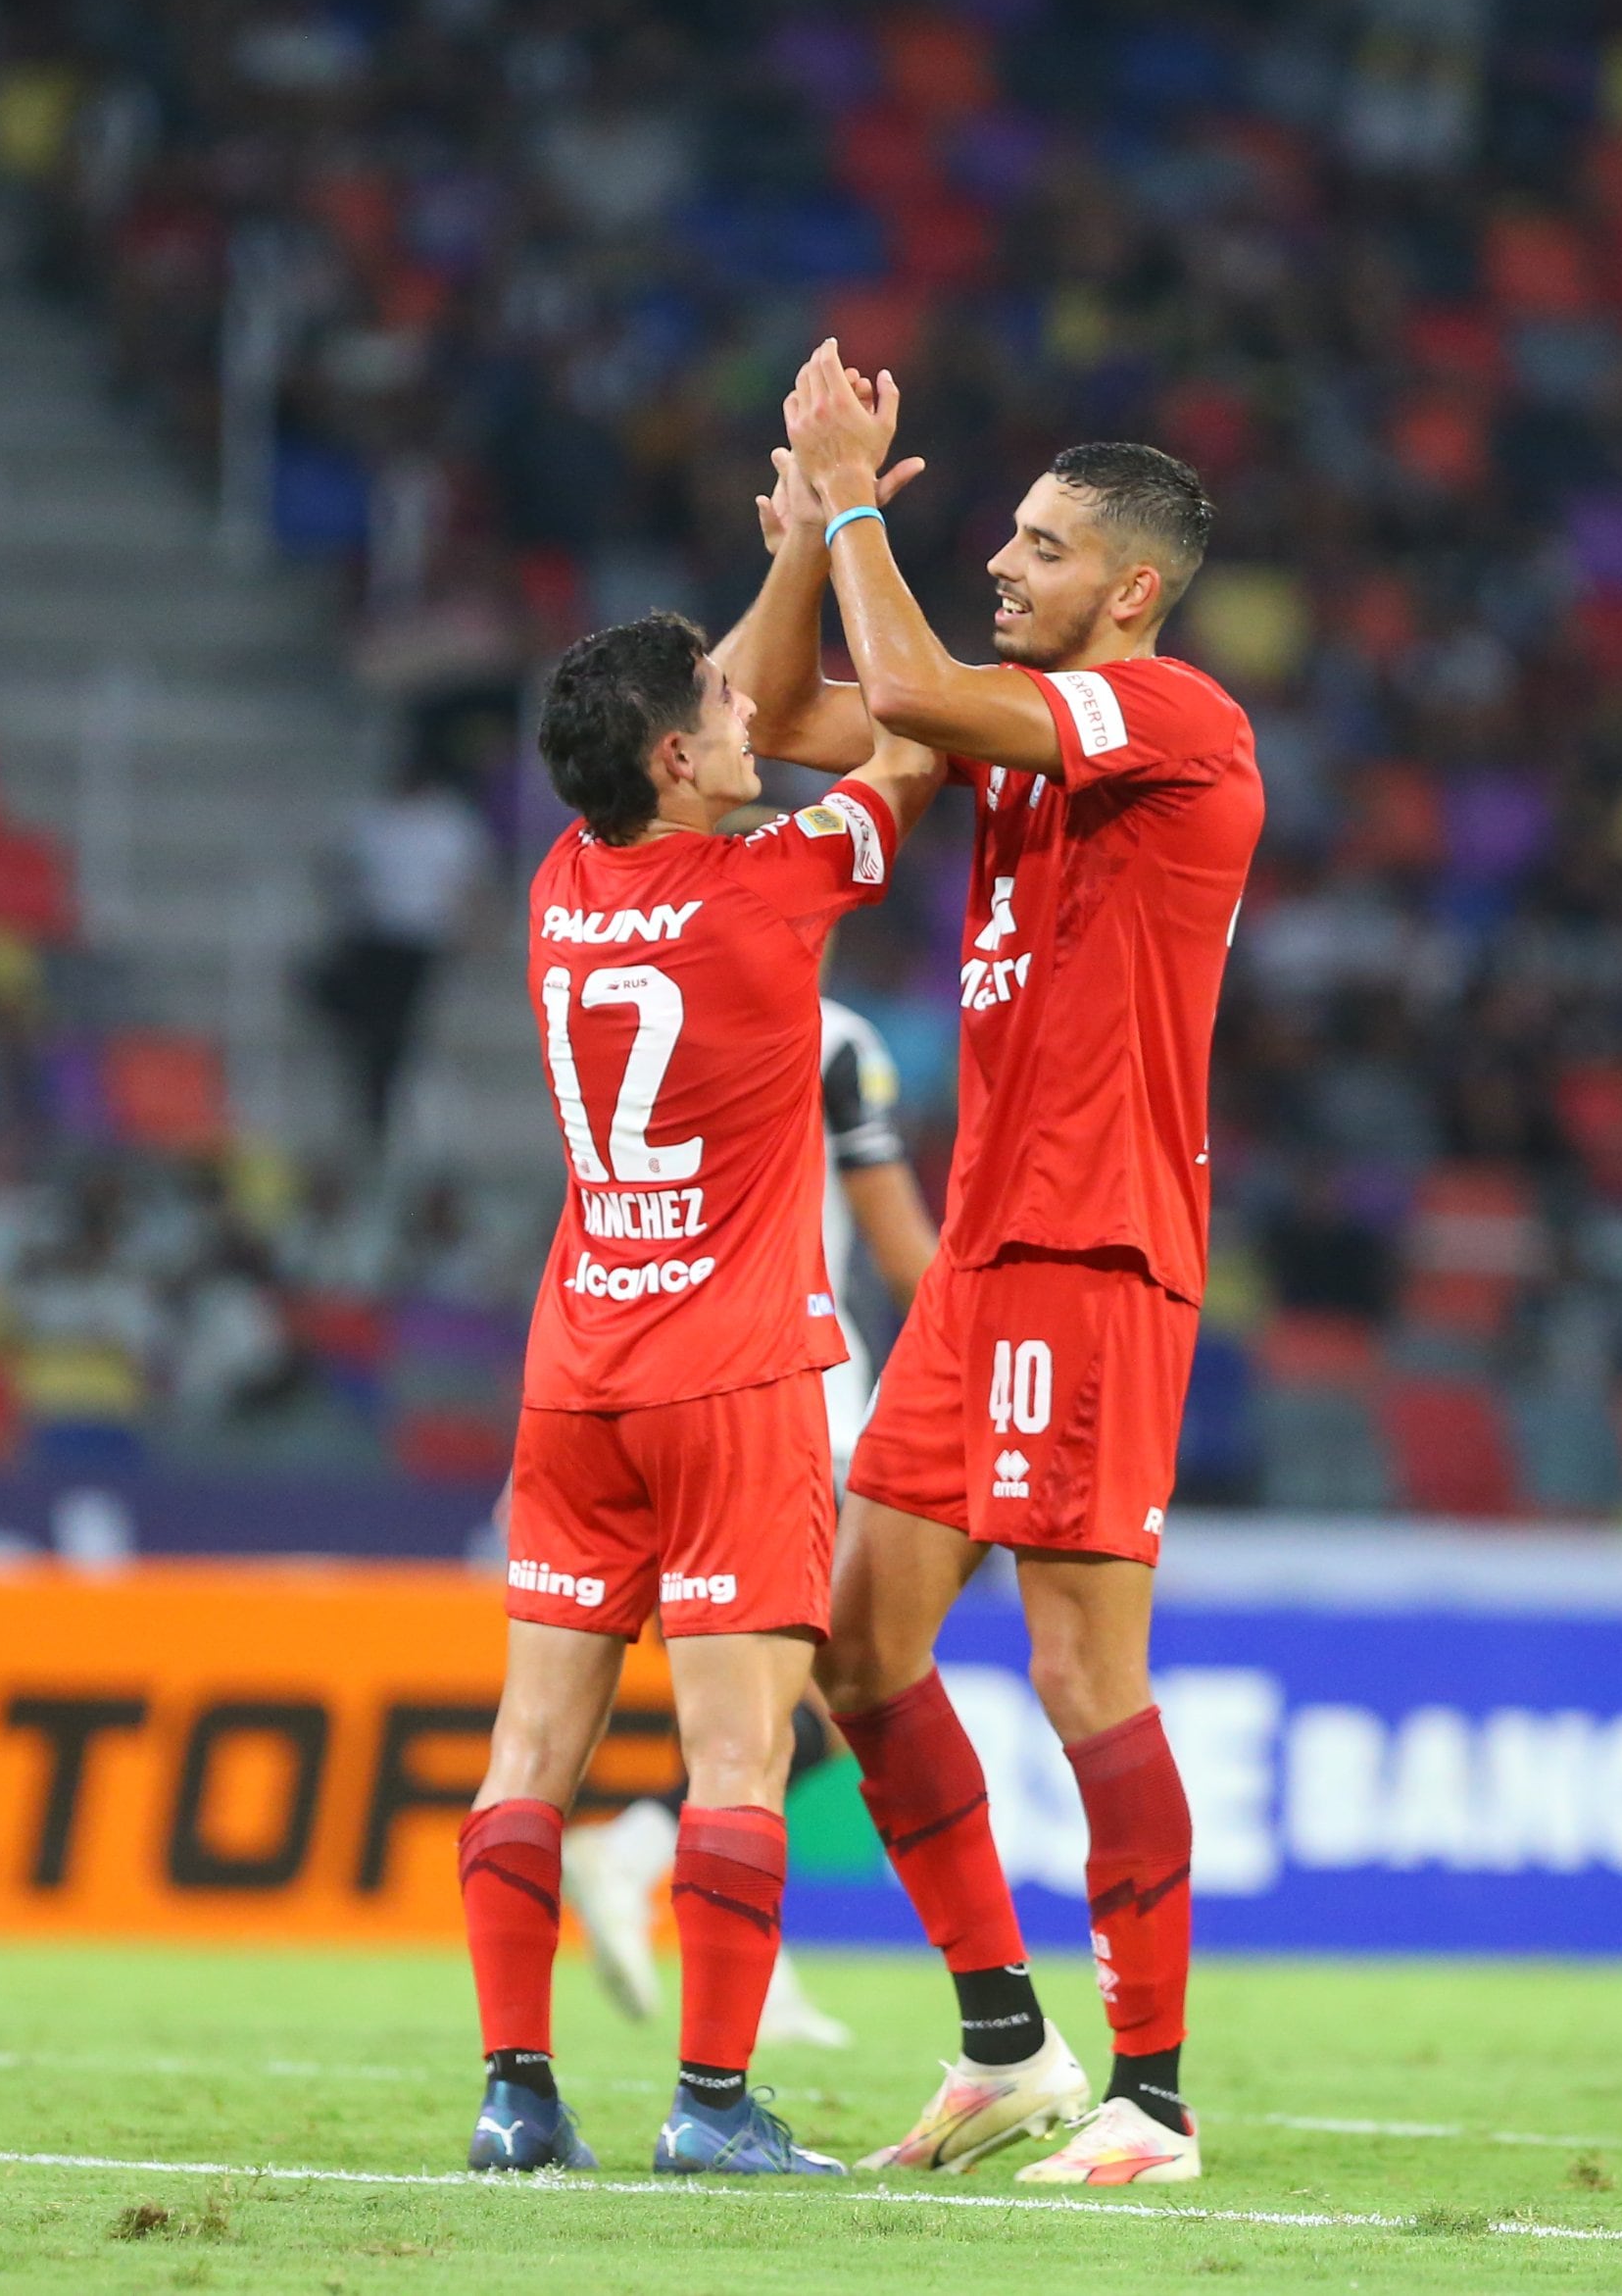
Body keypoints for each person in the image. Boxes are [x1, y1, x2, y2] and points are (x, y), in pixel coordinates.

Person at [717, 342, 1262, 2186]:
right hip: (978, 1256)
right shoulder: (995, 732)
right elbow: (761, 719)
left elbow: (923, 684)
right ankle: (1007, 2042)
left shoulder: (1174, 721)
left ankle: (1158, 2099)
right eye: (999, 537)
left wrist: (865, 496)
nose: (1001, 563)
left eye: (1037, 547)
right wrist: (807, 536)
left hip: (1098, 1247)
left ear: (1129, 586)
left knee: (1083, 1672)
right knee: (860, 1651)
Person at [459, 611, 939, 2177]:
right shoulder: (770, 889)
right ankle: (713, 2103)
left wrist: (788, 548)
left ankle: (516, 2096)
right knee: (738, 1759)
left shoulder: (557, 890)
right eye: (727, 708)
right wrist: (847, 518)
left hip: (576, 1368)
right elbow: (920, 735)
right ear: (675, 757)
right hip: (734, 1377)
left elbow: (689, 704)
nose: (755, 709)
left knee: (528, 1752)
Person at [561, 975, 939, 2052]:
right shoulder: (836, 1032)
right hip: (797, 1389)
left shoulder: (612, 1004)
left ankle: (753, 1970)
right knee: (833, 1688)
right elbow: (903, 1247)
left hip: (639, 1372)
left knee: (749, 1708)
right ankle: (640, 1850)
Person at [311, 767, 492, 1149]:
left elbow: (470, 882)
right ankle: (378, 1089)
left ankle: (381, 1100)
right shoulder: (372, 818)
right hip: (375, 936)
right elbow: (339, 870)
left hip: (420, 940)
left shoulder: (447, 820)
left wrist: (471, 931)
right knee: (375, 1022)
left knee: (390, 1027)